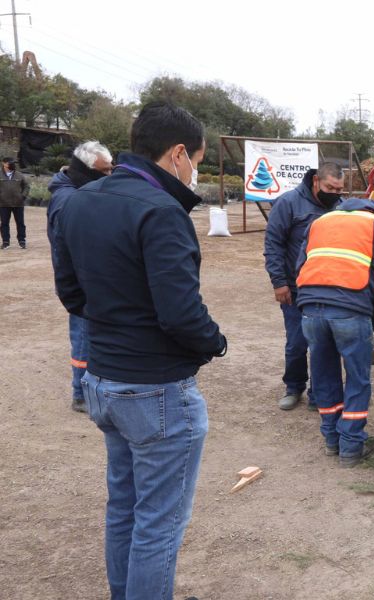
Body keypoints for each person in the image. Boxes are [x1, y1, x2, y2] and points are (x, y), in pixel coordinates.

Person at [52, 101, 227, 600]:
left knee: (125, 509)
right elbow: (180, 313)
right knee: (158, 524)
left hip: (105, 381)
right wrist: (216, 342)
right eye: (195, 159)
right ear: (176, 155)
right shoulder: (161, 211)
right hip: (156, 391)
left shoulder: (79, 201)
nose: (194, 169)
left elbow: (72, 295)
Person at [295, 196, 374, 467]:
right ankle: (351, 447)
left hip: (310, 309)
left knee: (323, 375)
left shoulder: (319, 223)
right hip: (350, 309)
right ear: (372, 211)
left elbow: (300, 266)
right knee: (357, 378)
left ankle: (332, 440)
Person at [264, 162, 345, 410]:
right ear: (316, 182)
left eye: (340, 189)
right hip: (296, 289)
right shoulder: (289, 203)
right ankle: (294, 386)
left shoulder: (339, 207)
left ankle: (317, 393)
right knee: (297, 343)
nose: (335, 193)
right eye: (330, 187)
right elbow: (273, 245)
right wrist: (279, 283)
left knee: (323, 344)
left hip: (326, 289)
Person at [47, 141, 114, 413]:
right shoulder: (68, 201)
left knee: (90, 334)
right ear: (87, 170)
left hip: (88, 281)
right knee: (84, 336)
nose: (110, 175)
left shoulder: (77, 191)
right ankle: (81, 393)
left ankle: (88, 389)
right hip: (82, 284)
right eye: (105, 170)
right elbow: (66, 252)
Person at [0, 156, 29, 249]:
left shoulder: (19, 175)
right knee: (4, 223)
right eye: (10, 163)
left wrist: (23, 196)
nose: (12, 164)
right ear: (4, 164)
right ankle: (5, 242)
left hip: (18, 204)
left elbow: (26, 186)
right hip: (3, 204)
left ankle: (22, 240)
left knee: (20, 223)